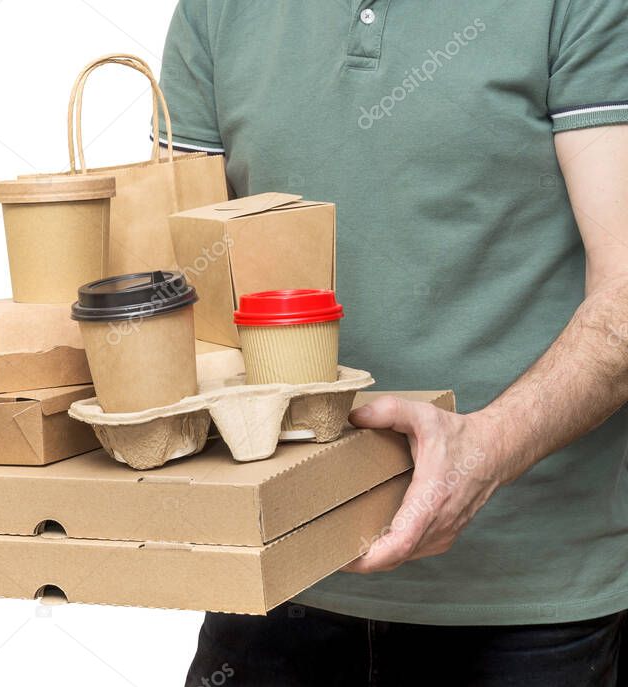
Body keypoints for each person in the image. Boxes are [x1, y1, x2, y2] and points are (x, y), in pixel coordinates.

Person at [155, 2, 628, 685]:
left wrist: (484, 452)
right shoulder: (217, 9)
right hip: (271, 586)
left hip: (524, 609)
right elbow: (179, 278)